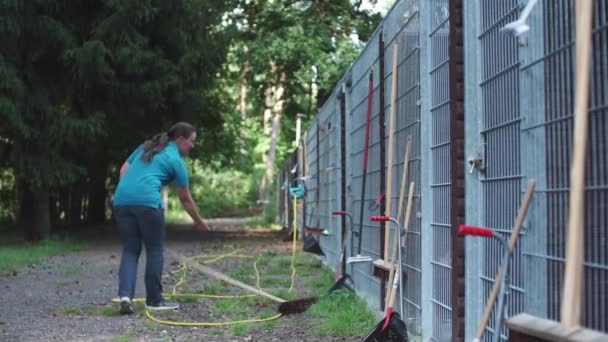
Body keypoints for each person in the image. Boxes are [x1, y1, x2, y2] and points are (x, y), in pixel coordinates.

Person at [112, 122, 211, 314]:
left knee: (131, 249)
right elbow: (185, 198)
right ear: (180, 139)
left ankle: (125, 296)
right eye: (192, 141)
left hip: (122, 200)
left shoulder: (145, 147)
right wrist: (200, 222)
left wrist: (132, 189)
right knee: (155, 249)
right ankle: (154, 301)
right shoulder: (175, 160)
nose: (193, 146)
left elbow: (124, 170)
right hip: (148, 203)